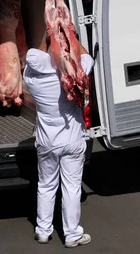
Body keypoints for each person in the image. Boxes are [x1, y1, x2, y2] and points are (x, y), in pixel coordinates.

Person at [22, 30, 94, 248]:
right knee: (71, 188)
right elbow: (87, 57)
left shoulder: (32, 78)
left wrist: (49, 37)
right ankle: (72, 235)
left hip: (46, 142)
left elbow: (36, 56)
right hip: (72, 141)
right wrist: (69, 35)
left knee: (45, 185)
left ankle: (43, 231)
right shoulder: (75, 74)